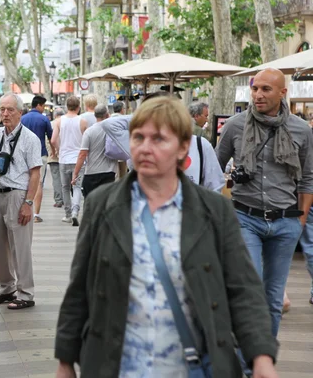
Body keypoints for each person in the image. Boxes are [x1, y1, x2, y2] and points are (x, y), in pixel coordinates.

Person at [55, 96, 279, 378]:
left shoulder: (214, 209)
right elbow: (80, 287)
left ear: (183, 147)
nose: (145, 148)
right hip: (116, 365)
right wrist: (65, 360)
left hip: (189, 366)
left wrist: (261, 357)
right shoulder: (102, 204)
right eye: (138, 137)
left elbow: (244, 289)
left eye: (159, 139)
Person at [217, 67, 313, 337]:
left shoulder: (300, 129)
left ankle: (262, 358)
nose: (258, 95)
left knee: (273, 300)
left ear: (282, 93)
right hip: (245, 219)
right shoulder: (236, 125)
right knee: (250, 290)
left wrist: (300, 220)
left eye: (265, 89)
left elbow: (307, 179)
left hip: (285, 223)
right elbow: (214, 167)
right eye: (255, 88)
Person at [102, 92, 225, 192]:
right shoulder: (140, 144)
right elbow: (109, 124)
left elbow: (215, 186)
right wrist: (145, 116)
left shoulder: (200, 145)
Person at [0, 93, 42, 310]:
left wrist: (29, 203)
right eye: (2, 109)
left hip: (18, 194)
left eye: (10, 109)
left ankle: (26, 293)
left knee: (21, 247)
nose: (5, 113)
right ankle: (6, 288)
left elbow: (36, 173)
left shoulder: (30, 138)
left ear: (20, 112)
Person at [52, 96, 88, 226]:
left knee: (65, 188)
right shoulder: (83, 122)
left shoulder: (59, 121)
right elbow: (86, 141)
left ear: (67, 107)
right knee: (77, 187)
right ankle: (75, 212)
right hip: (78, 159)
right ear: (79, 107)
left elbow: (53, 139)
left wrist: (58, 149)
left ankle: (67, 214)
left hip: (64, 159)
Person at [72, 104, 117, 198]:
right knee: (105, 204)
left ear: (95, 115)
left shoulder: (89, 132)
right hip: (109, 173)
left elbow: (82, 154)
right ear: (107, 115)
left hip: (91, 173)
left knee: (90, 204)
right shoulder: (113, 130)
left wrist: (75, 173)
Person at [21, 95, 53, 223]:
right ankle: (36, 214)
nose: (44, 108)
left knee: (24, 180)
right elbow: (51, 137)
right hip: (40, 154)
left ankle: (23, 208)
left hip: (24, 154)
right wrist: (54, 151)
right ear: (39, 105)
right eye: (43, 106)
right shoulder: (44, 119)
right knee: (39, 182)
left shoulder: (22, 119)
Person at [48, 109, 65, 208]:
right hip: (67, 155)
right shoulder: (67, 123)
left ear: (55, 116)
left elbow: (50, 140)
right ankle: (67, 199)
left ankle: (58, 200)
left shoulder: (51, 124)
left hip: (53, 156)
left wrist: (54, 152)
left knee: (56, 178)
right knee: (67, 178)